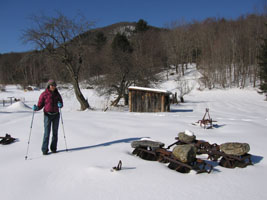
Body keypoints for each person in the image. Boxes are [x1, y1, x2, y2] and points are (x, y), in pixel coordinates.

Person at [33, 80, 63, 155]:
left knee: (55, 133)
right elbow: (40, 105)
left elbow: (61, 103)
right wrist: (37, 108)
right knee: (47, 133)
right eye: (51, 85)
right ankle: (44, 149)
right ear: (49, 86)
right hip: (47, 115)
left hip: (56, 115)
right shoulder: (44, 94)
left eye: (54, 85)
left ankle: (53, 148)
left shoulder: (57, 94)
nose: (53, 87)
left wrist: (60, 104)